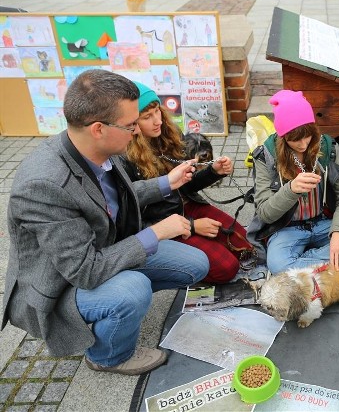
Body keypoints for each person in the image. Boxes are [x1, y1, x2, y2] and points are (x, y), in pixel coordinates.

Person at [1, 69, 209, 375]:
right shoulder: (44, 185)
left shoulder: (97, 149)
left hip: (102, 252)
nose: (137, 131)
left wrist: (167, 183)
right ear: (98, 128)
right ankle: (107, 356)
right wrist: (155, 232)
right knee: (133, 289)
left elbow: (113, 198)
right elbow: (86, 270)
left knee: (196, 265)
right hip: (62, 284)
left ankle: (119, 306)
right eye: (130, 125)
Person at [123, 82, 254, 284]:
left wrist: (213, 172)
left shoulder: (166, 135)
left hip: (188, 206)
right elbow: (133, 221)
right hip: (163, 225)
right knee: (227, 268)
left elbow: (185, 186)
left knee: (246, 244)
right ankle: (181, 268)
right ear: (131, 122)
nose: (157, 120)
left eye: (157, 111)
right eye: (147, 117)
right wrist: (192, 227)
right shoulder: (125, 157)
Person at [250, 90, 339, 273]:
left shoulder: (328, 148)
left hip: (322, 221)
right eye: (295, 139)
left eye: (307, 136)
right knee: (278, 265)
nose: (303, 144)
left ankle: (308, 267)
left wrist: (337, 234)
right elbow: (265, 214)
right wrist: (291, 190)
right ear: (283, 135)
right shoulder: (265, 156)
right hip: (286, 228)